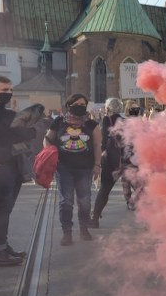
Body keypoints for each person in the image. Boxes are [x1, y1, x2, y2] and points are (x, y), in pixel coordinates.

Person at [0, 76, 37, 266]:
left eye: (11, 90)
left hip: (13, 164)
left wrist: (22, 130)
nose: (9, 93)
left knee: (7, 207)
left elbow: (29, 132)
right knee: (3, 206)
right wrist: (21, 131)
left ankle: (2, 246)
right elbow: (6, 135)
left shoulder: (8, 113)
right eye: (5, 90)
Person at [46, 94, 101, 246]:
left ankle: (84, 229)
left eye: (83, 104)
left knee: (84, 201)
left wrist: (97, 165)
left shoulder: (91, 124)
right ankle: (67, 232)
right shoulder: (59, 121)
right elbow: (48, 139)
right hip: (64, 168)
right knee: (66, 201)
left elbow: (97, 145)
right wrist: (49, 154)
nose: (80, 106)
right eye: (77, 104)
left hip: (85, 168)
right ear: (69, 105)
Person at [90, 98, 126, 228]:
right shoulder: (125, 121)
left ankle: (95, 219)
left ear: (108, 108)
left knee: (105, 189)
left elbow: (104, 140)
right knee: (138, 190)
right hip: (125, 159)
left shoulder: (107, 120)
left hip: (111, 160)